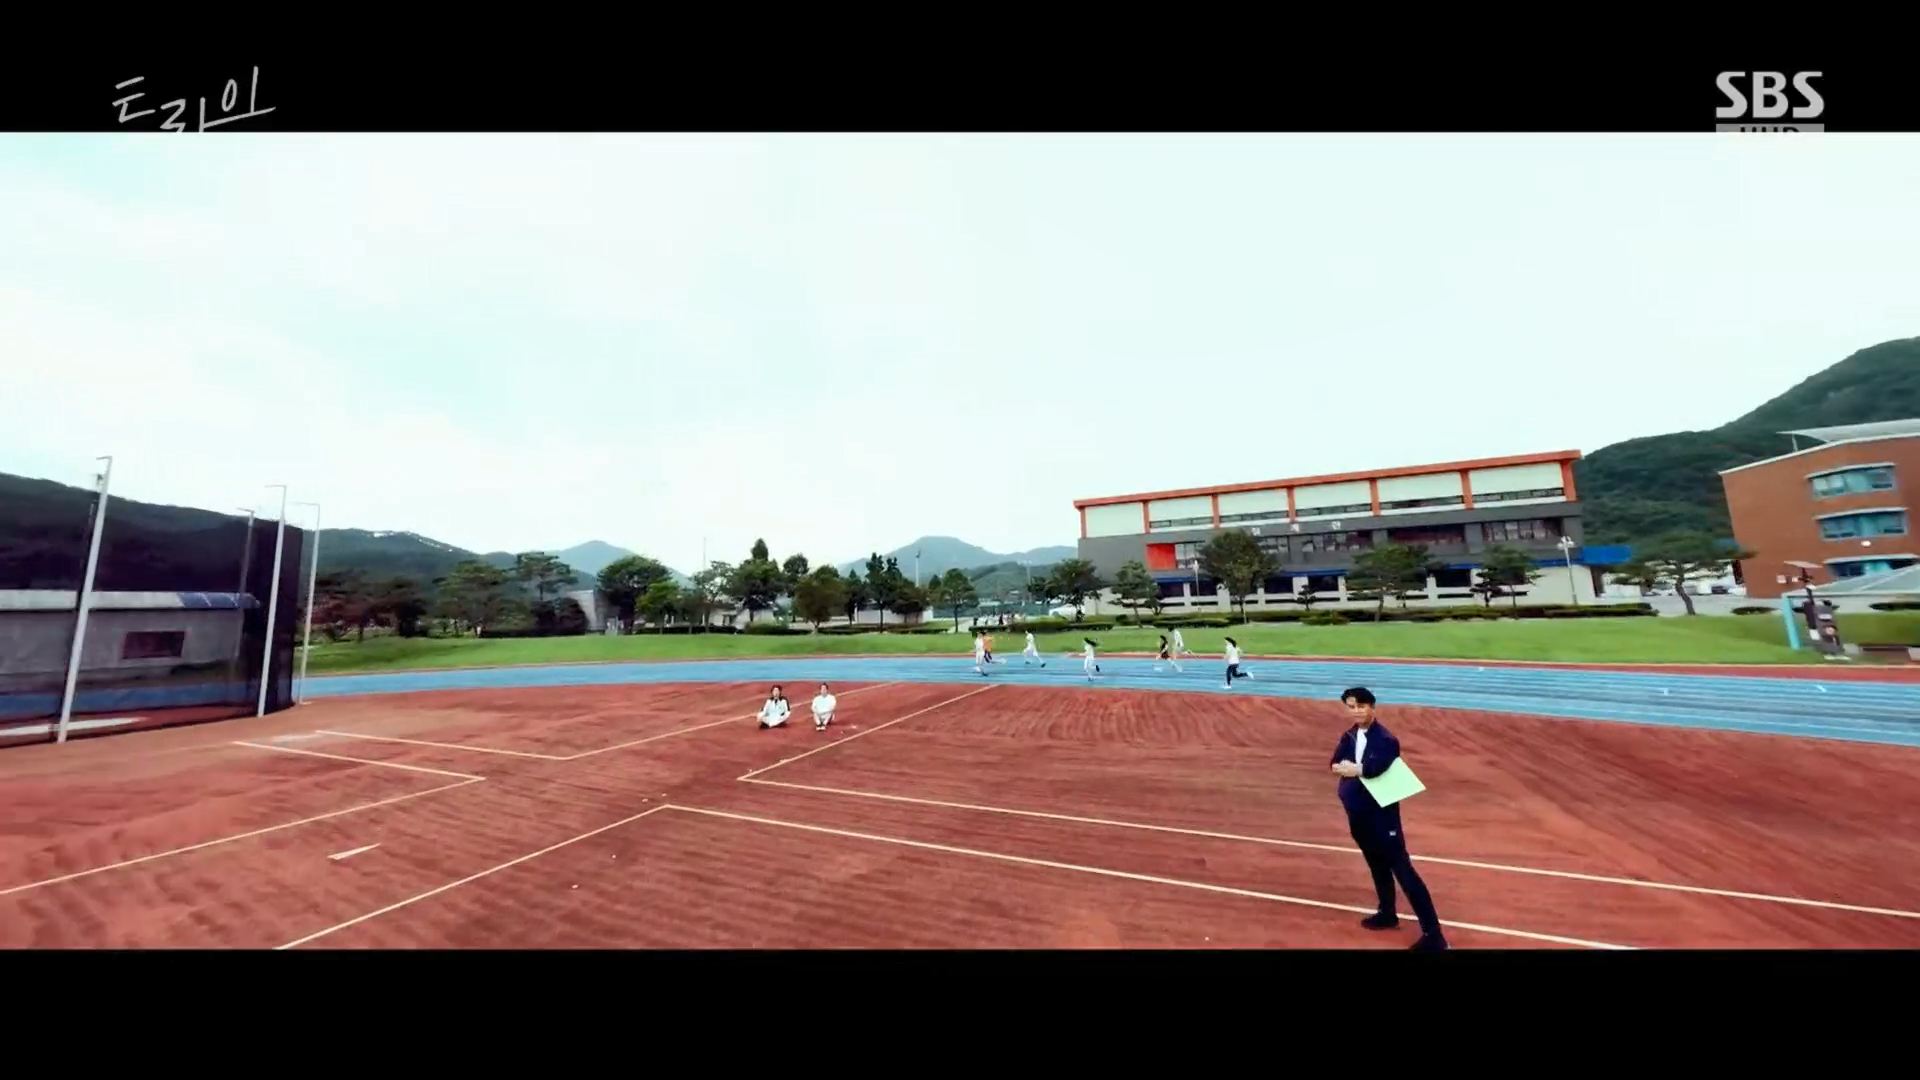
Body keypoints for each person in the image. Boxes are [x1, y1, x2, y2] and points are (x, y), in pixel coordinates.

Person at [1329, 687, 1447, 951]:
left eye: (1361, 706)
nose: (1356, 711)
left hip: (1383, 819)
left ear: (1372, 707)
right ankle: (1387, 912)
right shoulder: (1349, 735)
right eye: (1351, 707)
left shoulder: (1386, 739)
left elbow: (1375, 768)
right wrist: (1347, 768)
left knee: (1404, 871)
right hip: (1358, 815)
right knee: (1376, 865)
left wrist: (1355, 769)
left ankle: (1434, 933)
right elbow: (1334, 762)